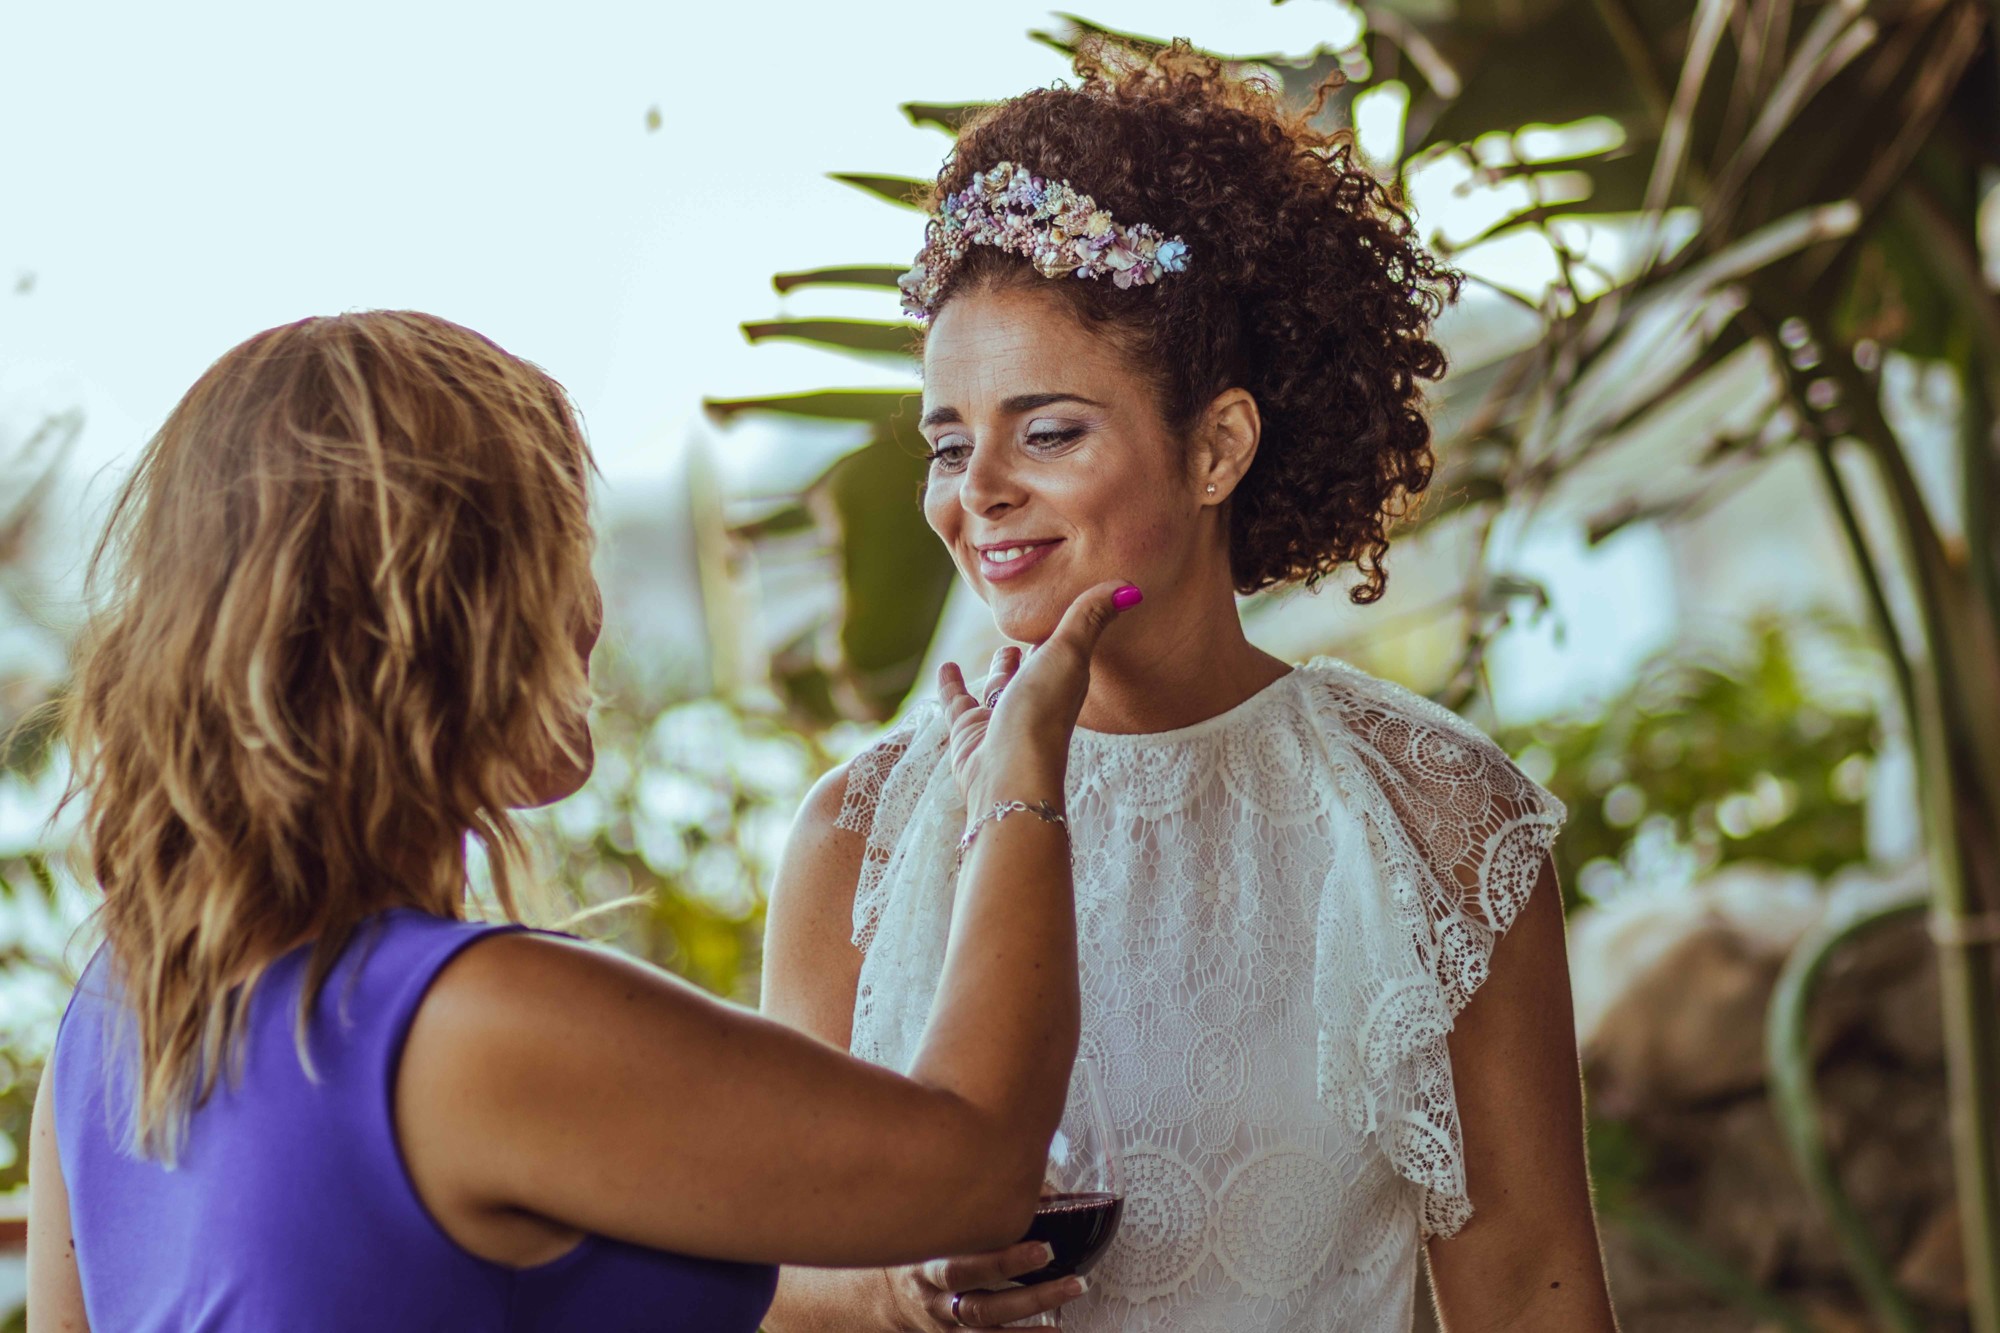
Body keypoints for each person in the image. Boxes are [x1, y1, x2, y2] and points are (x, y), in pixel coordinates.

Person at [25, 310, 1137, 1332]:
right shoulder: (473, 1021)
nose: (594, 610)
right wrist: (1015, 779)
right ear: (443, 613)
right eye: (560, 544)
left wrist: (885, 1299)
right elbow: (977, 1167)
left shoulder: (116, 1007)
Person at [760, 41, 1620, 1333]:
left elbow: (1533, 1291)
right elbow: (767, 1280)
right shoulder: (857, 838)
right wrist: (896, 1291)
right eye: (948, 442)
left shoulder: (1436, 822)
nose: (976, 490)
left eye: (1047, 431)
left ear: (1216, 446)